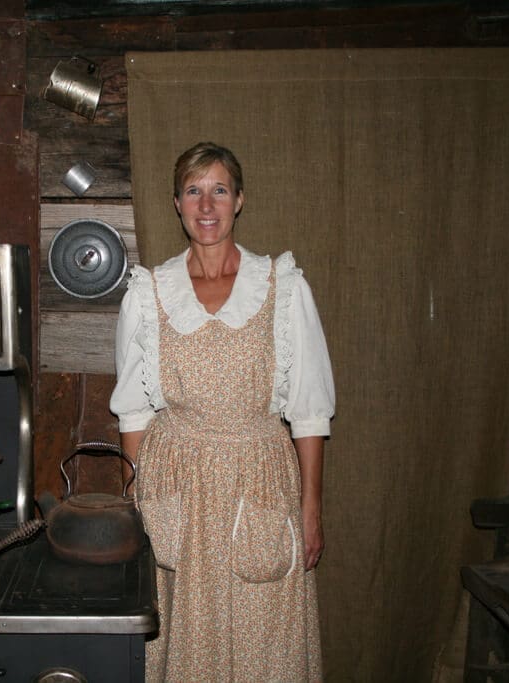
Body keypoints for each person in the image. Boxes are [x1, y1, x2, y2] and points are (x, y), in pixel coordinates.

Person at [110, 142, 335, 682]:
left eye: (218, 190)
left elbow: (308, 410)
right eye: (193, 191)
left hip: (259, 480)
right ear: (176, 203)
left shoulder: (283, 288)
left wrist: (310, 507)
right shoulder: (148, 293)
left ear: (239, 201)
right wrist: (136, 507)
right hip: (177, 484)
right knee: (183, 637)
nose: (206, 205)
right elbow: (134, 412)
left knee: (266, 640)